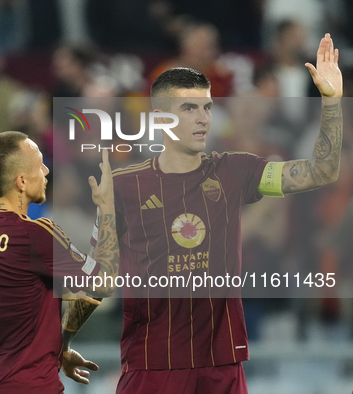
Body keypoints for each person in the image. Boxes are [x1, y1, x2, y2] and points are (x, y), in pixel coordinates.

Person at [68, 33, 343, 393]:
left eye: (208, 107)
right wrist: (60, 343)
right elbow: (98, 280)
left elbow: (320, 171)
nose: (203, 119)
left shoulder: (236, 171)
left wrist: (332, 101)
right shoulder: (123, 185)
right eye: (189, 108)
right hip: (152, 365)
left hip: (222, 365)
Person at [0, 131, 119, 393]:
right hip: (25, 385)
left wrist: (57, 348)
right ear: (22, 181)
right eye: (39, 164)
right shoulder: (35, 235)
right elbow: (102, 282)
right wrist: (106, 210)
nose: (47, 170)